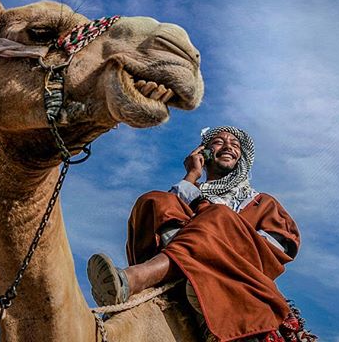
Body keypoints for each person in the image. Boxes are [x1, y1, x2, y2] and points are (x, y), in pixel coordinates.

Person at [88, 126, 301, 342]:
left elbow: (277, 248)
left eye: (235, 144)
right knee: (153, 200)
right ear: (204, 153)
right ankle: (188, 272)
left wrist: (220, 233)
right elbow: (161, 215)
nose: (227, 146)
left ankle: (134, 279)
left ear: (242, 157)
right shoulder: (190, 192)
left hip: (237, 271)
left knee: (218, 216)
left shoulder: (261, 202)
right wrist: (191, 175)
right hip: (184, 265)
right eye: (218, 142)